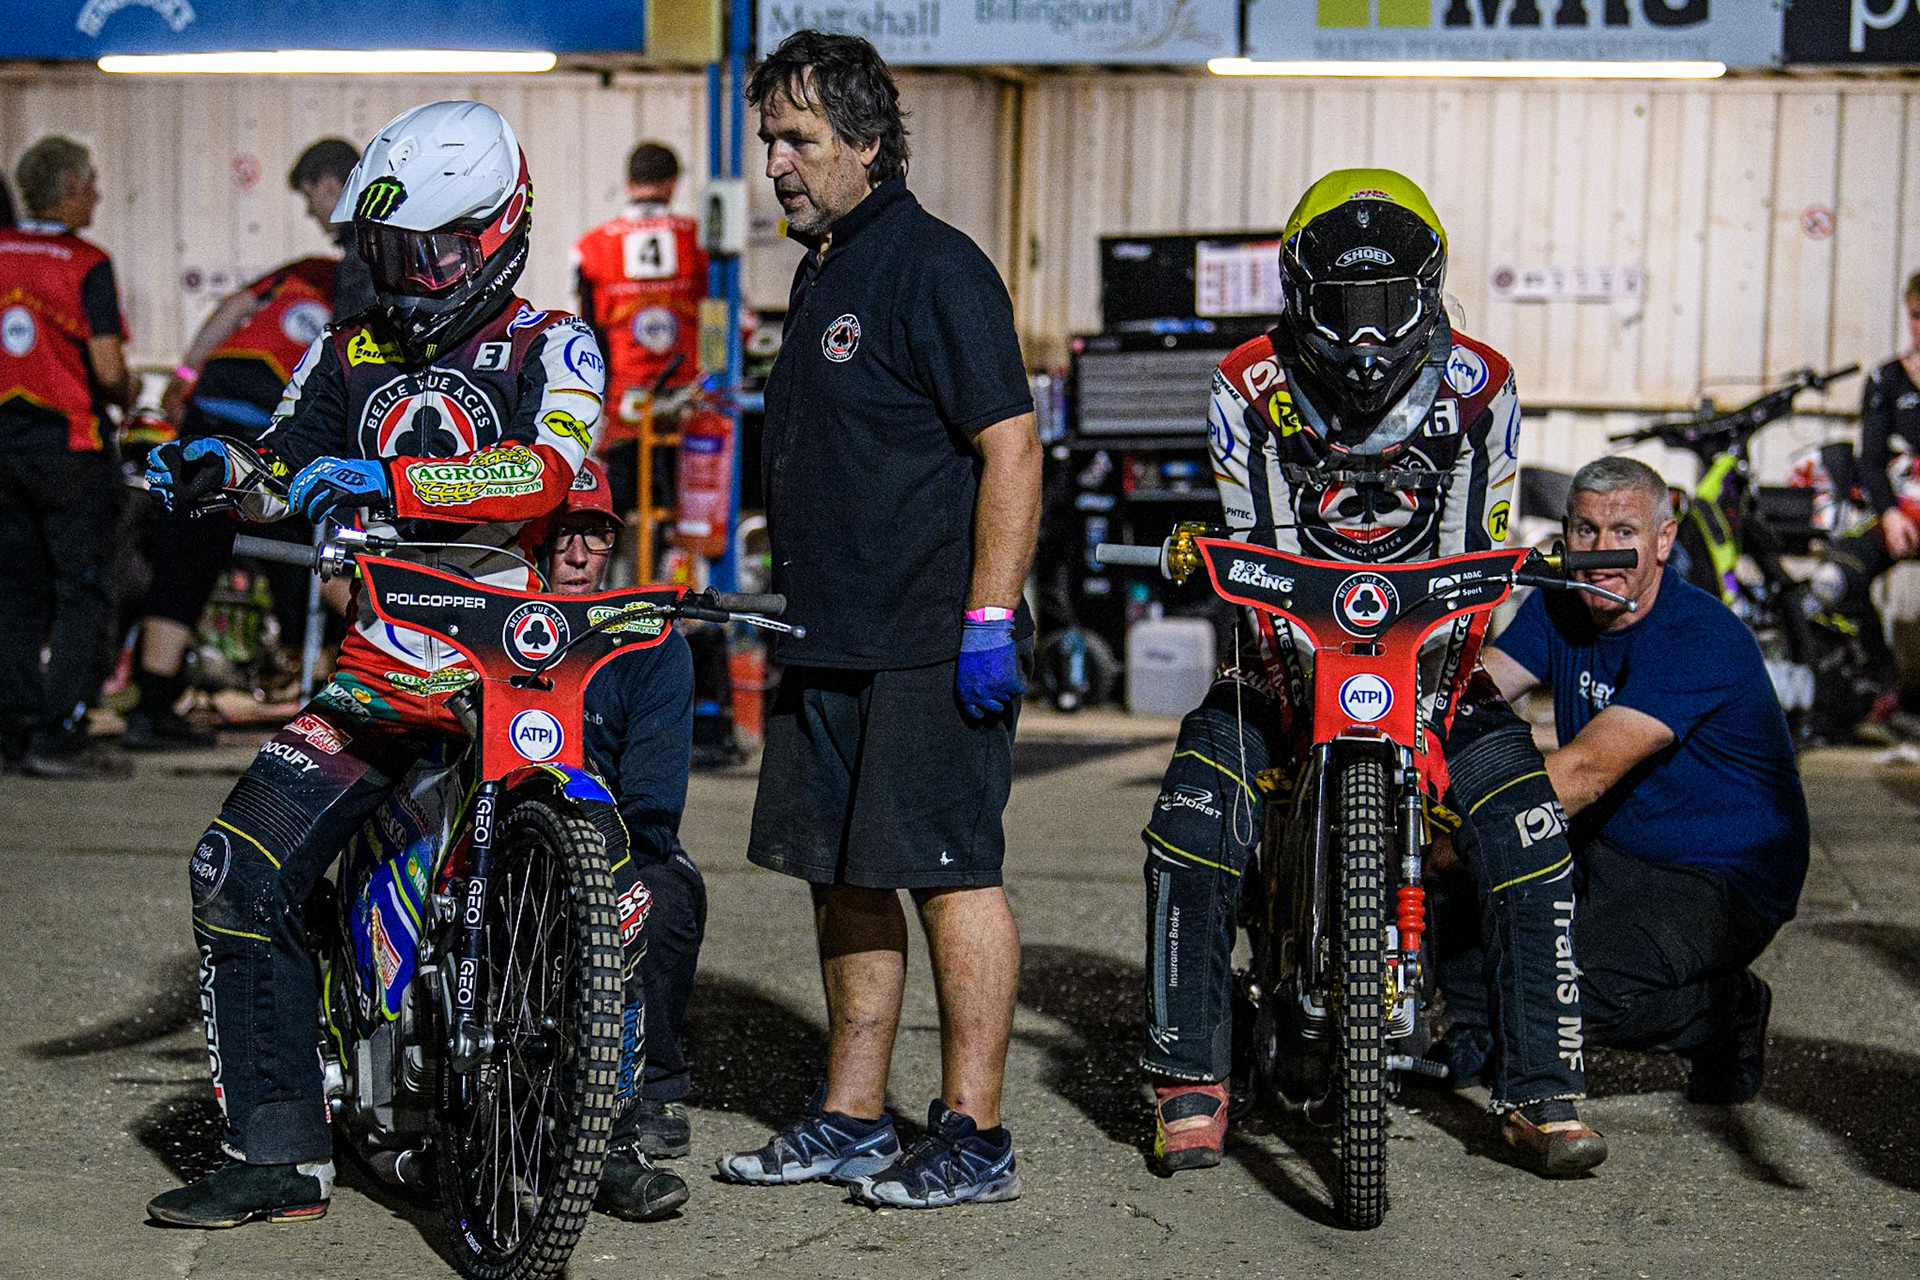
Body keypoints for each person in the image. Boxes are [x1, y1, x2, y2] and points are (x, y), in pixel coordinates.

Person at [140, 99, 685, 1228]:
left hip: (515, 682)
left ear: (497, 231)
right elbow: (282, 462)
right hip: (380, 680)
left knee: (621, 884)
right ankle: (280, 1149)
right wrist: (218, 473)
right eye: (391, 250)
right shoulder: (346, 352)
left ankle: (604, 1124)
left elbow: (546, 470)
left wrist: (397, 485)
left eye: (432, 247)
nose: (410, 273)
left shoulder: (556, 344)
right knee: (234, 868)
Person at [1142, 169, 1607, 1181]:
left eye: (1386, 305)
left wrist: (1429, 706)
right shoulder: (1246, 380)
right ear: (1299, 294)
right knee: (1190, 822)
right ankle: (1189, 1078)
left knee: (1530, 826)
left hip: (1435, 657)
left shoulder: (1481, 383)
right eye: (1343, 307)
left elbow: (1476, 558)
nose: (1363, 336)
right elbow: (1252, 539)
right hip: (1278, 656)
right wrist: (1303, 677)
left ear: (1429, 290)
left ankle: (1543, 1093)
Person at [717, 31, 1041, 1210]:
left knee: (950, 875)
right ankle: (853, 1114)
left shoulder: (935, 267)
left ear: (866, 142)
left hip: (922, 638)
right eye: (768, 141)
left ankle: (976, 1130)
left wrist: (988, 619)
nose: (778, 164)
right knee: (840, 874)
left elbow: (1010, 444)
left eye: (798, 139)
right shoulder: (824, 267)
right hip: (827, 634)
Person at [1473, 456, 1807, 1105]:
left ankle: (1725, 1012)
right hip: (1615, 843)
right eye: (1584, 531)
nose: (1599, 554)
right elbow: (1474, 694)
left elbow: (1585, 773)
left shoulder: (1697, 634)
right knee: (1455, 889)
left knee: (1564, 991)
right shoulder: (1562, 606)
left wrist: (1465, 824)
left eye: (1622, 533)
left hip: (1716, 871)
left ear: (1662, 540)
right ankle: (1473, 1032)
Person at [124, 139, 366, 750]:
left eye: (313, 200)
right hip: (268, 424)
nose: (314, 216)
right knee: (307, 546)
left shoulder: (314, 273)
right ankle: (321, 684)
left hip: (215, 409)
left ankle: (151, 708)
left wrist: (183, 378)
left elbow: (230, 309)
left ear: (333, 185)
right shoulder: (339, 276)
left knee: (188, 551)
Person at [545, 460, 710, 1183]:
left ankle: (655, 1085)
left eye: (594, 536)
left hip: (605, 837)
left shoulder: (648, 646)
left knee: (665, 893)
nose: (577, 555)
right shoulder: (483, 623)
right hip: (495, 835)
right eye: (560, 534)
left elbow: (652, 809)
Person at [0, 135, 138, 777]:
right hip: (70, 449)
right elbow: (108, 371)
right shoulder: (86, 263)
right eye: (95, 183)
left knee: (15, 594)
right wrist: (131, 390)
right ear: (73, 187)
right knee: (84, 592)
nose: (100, 195)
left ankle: (14, 733)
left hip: (3, 450)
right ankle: (58, 737)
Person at [571, 141, 708, 519]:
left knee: (614, 513)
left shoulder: (590, 247)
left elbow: (587, 329)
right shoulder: (700, 241)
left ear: (629, 183)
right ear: (672, 183)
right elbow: (726, 320)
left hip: (623, 406)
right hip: (689, 402)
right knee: (683, 518)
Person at [1808, 269, 1920, 712]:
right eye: (1915, 315)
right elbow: (1870, 461)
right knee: (1839, 573)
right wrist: (1891, 513)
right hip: (1903, 511)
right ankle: (1882, 677)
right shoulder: (1886, 379)